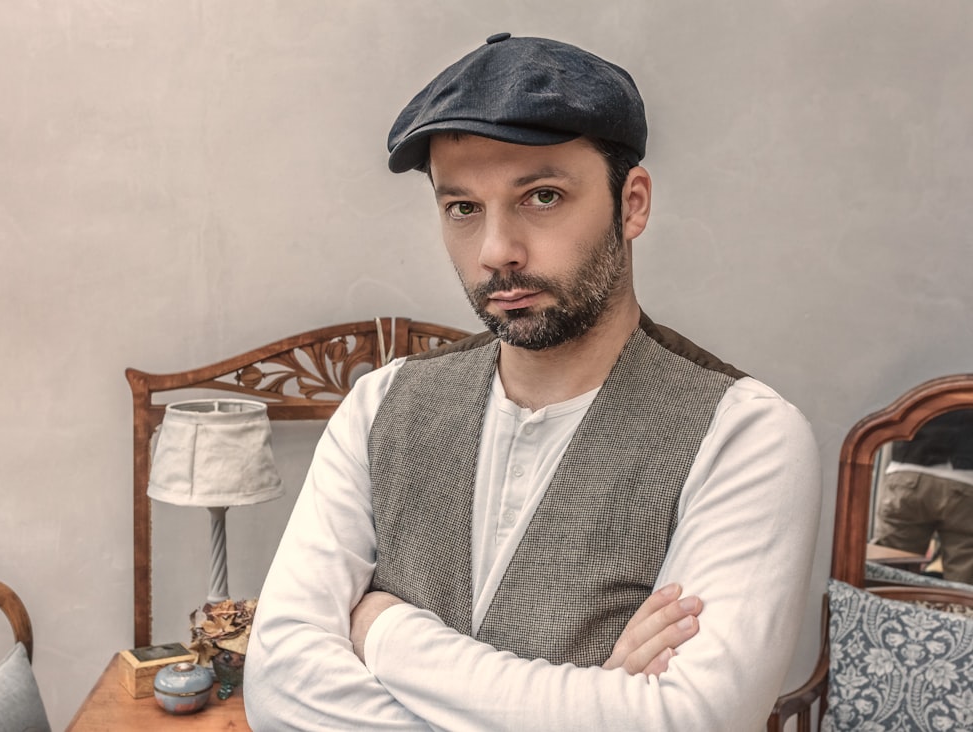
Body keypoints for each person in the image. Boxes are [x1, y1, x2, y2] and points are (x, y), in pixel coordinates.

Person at [244, 33, 821, 730]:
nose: (496, 252)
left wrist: (384, 630)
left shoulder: (745, 434)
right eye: (462, 208)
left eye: (541, 196)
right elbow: (278, 691)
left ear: (631, 203)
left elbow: (690, 721)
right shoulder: (380, 405)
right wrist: (594, 702)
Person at [872, 409, 973, 584]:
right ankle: (959, 610)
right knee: (965, 581)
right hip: (967, 478)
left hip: (910, 466)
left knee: (890, 571)